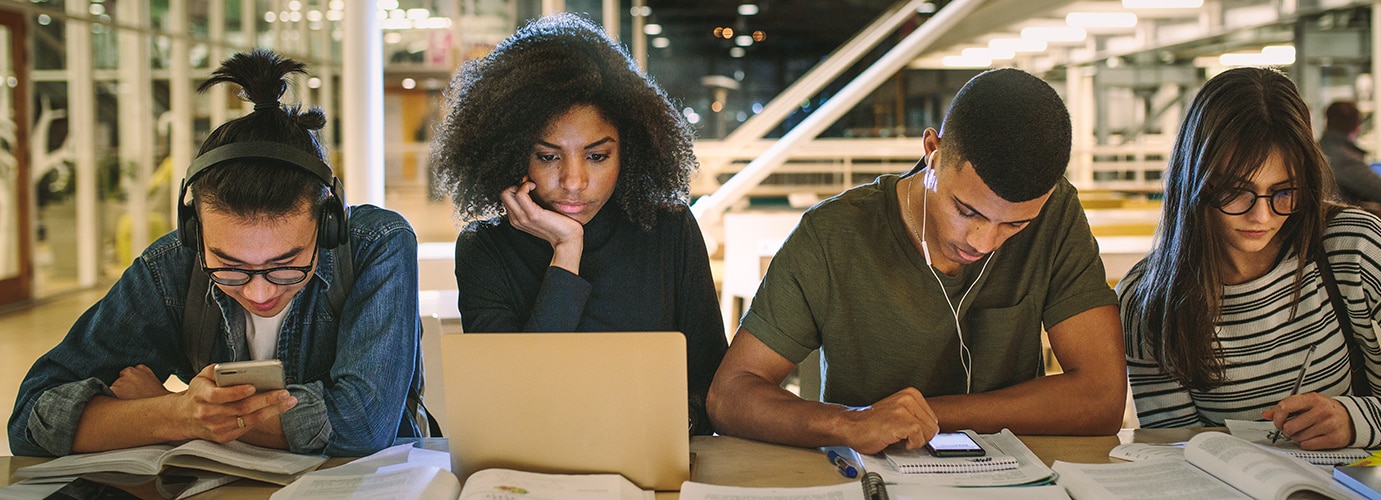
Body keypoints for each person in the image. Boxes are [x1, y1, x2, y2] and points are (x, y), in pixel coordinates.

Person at [8, 49, 425, 456]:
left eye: (286, 265)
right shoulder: (171, 265)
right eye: (229, 266)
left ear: (328, 223)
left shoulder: (376, 245)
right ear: (193, 231)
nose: (260, 294)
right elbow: (32, 418)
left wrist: (164, 409)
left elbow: (364, 425)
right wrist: (177, 414)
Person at [705, 68, 1127, 454]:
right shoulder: (833, 235)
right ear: (933, 151)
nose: (984, 241)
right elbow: (730, 396)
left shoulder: (1057, 215)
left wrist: (928, 416)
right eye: (966, 210)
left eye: (1014, 226)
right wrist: (849, 423)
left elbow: (1102, 398)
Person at [428, 13, 728, 435]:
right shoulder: (484, 250)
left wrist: (662, 424)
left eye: (597, 155)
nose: (574, 182)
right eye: (549, 156)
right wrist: (566, 251)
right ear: (513, 154)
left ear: (629, 151)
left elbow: (713, 387)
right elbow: (515, 400)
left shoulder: (668, 230)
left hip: (653, 460)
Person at [1119, 67, 1381, 450]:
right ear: (1196, 182)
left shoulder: (1352, 245)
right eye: (1236, 191)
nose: (1263, 216)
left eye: (1283, 192)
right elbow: (1177, 450)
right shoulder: (1149, 298)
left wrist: (1357, 421)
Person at [1320, 101, 1381, 207]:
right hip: (1340, 220)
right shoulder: (1345, 159)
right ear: (1357, 128)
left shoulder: (1316, 149)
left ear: (1327, 123)